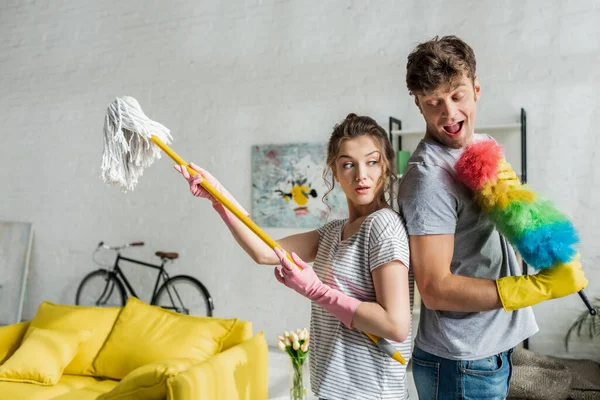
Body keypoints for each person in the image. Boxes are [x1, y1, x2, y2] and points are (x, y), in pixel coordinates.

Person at [397, 35, 588, 399]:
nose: (449, 113)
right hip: (462, 361)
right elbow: (435, 289)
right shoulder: (427, 178)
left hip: (493, 348)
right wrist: (538, 288)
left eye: (457, 95)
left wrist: (541, 239)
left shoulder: (478, 146)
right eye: (433, 101)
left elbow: (499, 238)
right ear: (418, 104)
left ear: (477, 88)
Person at [174, 113, 414, 399]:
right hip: (334, 391)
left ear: (386, 166)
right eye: (348, 164)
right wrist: (219, 197)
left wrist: (315, 289)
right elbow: (264, 251)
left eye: (372, 162)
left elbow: (395, 325)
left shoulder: (383, 226)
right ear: (334, 172)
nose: (361, 174)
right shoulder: (333, 232)